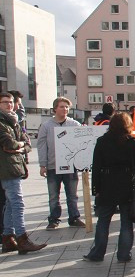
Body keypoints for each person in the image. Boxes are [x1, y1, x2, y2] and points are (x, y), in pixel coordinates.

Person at [83, 112, 135, 262]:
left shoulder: (102, 142)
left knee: (103, 220)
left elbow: (96, 167)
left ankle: (97, 253)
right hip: (127, 185)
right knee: (126, 221)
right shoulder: (133, 143)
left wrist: (96, 189)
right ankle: (124, 254)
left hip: (107, 184)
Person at [0, 92, 44, 254]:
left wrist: (18, 146)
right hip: (7, 168)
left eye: (11, 102)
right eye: (5, 102)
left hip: (15, 166)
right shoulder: (3, 122)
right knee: (17, 203)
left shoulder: (14, 121)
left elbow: (27, 144)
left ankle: (8, 238)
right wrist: (18, 145)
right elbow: (9, 143)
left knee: (11, 204)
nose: (9, 105)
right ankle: (22, 238)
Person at [37, 97, 85, 230]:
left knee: (72, 194)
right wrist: (43, 164)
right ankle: (53, 219)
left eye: (67, 107)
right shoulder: (46, 126)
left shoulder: (74, 124)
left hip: (70, 166)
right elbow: (42, 145)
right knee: (53, 195)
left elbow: (82, 142)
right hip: (53, 166)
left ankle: (74, 217)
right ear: (55, 109)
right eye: (62, 106)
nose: (65, 109)